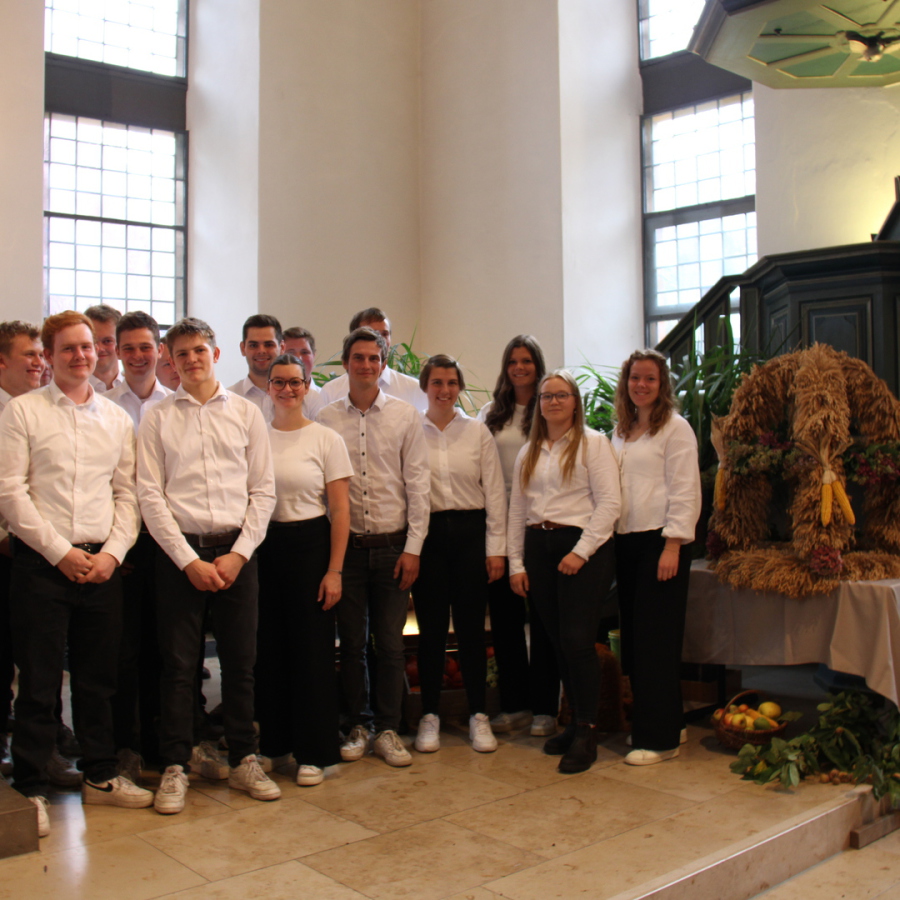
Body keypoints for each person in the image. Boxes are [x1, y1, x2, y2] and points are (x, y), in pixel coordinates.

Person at [0, 311, 151, 838]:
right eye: (68, 348)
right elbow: (11, 493)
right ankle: (33, 786)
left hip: (102, 565)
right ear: (49, 355)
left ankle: (100, 773)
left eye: (87, 346)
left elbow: (127, 494)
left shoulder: (115, 419)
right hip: (42, 565)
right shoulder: (24, 411)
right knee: (40, 682)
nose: (81, 356)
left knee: (98, 679)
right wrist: (58, 552)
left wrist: (112, 553)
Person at [137, 316, 280, 814]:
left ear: (215, 354)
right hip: (181, 556)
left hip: (237, 553)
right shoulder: (157, 417)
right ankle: (176, 765)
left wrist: (239, 554)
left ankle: (244, 758)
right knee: (179, 667)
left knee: (241, 664)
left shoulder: (246, 413)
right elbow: (150, 496)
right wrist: (187, 561)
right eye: (181, 354)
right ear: (171, 362)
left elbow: (263, 491)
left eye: (199, 350)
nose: (191, 360)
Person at [317, 326, 429, 767]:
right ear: (345, 363)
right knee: (352, 644)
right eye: (358, 357)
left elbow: (418, 485)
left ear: (383, 365)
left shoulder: (405, 416)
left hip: (393, 547)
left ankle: (388, 728)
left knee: (391, 644)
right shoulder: (326, 419)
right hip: (346, 549)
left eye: (374, 358)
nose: (366, 365)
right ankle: (359, 724)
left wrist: (414, 548)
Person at [508, 369, 620, 774]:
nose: (553, 402)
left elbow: (609, 504)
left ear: (575, 403)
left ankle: (588, 730)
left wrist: (581, 552)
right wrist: (516, 563)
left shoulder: (594, 444)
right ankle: (573, 723)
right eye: (546, 396)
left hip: (583, 549)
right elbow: (517, 510)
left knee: (577, 641)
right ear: (538, 405)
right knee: (557, 642)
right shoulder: (529, 451)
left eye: (561, 395)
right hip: (539, 546)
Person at [255, 353, 351, 786]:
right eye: (279, 382)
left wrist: (335, 571)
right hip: (265, 547)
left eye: (295, 382)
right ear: (268, 387)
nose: (287, 389)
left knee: (312, 653)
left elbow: (340, 510)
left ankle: (314, 752)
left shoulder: (325, 439)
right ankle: (275, 744)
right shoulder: (257, 437)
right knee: (269, 651)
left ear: (307, 386)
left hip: (312, 547)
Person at [611, 349, 700, 767]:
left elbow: (685, 490)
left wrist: (673, 545)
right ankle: (670, 722)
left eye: (650, 378)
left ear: (662, 384)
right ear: (626, 383)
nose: (641, 385)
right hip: (627, 543)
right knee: (636, 639)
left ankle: (660, 740)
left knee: (655, 642)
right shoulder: (621, 430)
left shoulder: (675, 429)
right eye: (635, 378)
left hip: (661, 543)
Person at [414, 355, 505, 755]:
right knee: (431, 631)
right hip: (429, 537)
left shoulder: (477, 432)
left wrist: (496, 549)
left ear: (460, 387)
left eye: (451, 382)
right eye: (437, 382)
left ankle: (478, 714)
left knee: (471, 630)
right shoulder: (411, 430)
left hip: (471, 535)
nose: (444, 390)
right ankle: (429, 715)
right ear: (425, 386)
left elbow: (495, 493)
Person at [477, 335, 559, 737]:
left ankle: (545, 707)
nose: (519, 368)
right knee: (506, 621)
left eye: (526, 361)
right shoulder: (491, 413)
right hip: (498, 523)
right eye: (512, 361)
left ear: (537, 366)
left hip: (539, 524)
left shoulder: (551, 411)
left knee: (542, 620)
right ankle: (515, 704)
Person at [107, 312, 173, 779]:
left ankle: (163, 741)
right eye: (127, 348)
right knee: (123, 651)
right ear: (116, 352)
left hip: (169, 543)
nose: (137, 356)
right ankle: (125, 745)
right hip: (123, 545)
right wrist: (118, 546)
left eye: (145, 347)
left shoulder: (176, 405)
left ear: (159, 350)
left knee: (167, 649)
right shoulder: (104, 406)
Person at [0, 321, 45, 777]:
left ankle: (43, 746)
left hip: (34, 552)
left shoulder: (39, 409)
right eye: (29, 354)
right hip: (5, 550)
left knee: (35, 659)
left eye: (40, 354)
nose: (39, 362)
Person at [317, 308, 427, 412]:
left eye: (385, 334)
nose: (380, 340)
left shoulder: (414, 389)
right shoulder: (331, 391)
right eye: (372, 333)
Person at [227, 314, 284, 422]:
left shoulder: (301, 397)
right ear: (243, 348)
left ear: (282, 347)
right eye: (253, 345)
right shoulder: (228, 399)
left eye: (268, 345)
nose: (261, 351)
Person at [283, 326, 324, 420]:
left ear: (313, 355)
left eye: (304, 352)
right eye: (291, 353)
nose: (298, 358)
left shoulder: (326, 398)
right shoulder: (273, 399)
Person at [84, 304, 124, 393]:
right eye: (93, 341)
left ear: (120, 343)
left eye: (107, 341)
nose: (100, 348)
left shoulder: (135, 389)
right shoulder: (72, 391)